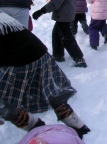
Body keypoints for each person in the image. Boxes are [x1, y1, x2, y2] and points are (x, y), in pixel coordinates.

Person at [0, 11, 90, 139]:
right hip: (40, 54)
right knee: (45, 96)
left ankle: (36, 127)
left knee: (6, 106)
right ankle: (76, 123)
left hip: (19, 60)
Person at [32, 0, 87, 68]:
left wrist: (41, 11)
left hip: (63, 16)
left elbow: (55, 3)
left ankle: (79, 59)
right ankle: (58, 55)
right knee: (56, 35)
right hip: (66, 15)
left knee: (67, 38)